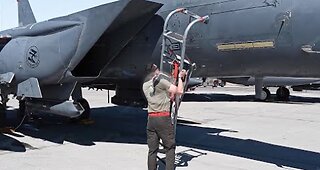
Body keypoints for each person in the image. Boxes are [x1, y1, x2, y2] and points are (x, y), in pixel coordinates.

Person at [142, 64, 186, 170]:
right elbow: (179, 91)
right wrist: (180, 77)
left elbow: (164, 94)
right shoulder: (161, 82)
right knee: (170, 147)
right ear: (154, 71)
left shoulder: (145, 85)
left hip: (151, 119)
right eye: (157, 68)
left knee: (152, 150)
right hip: (163, 119)